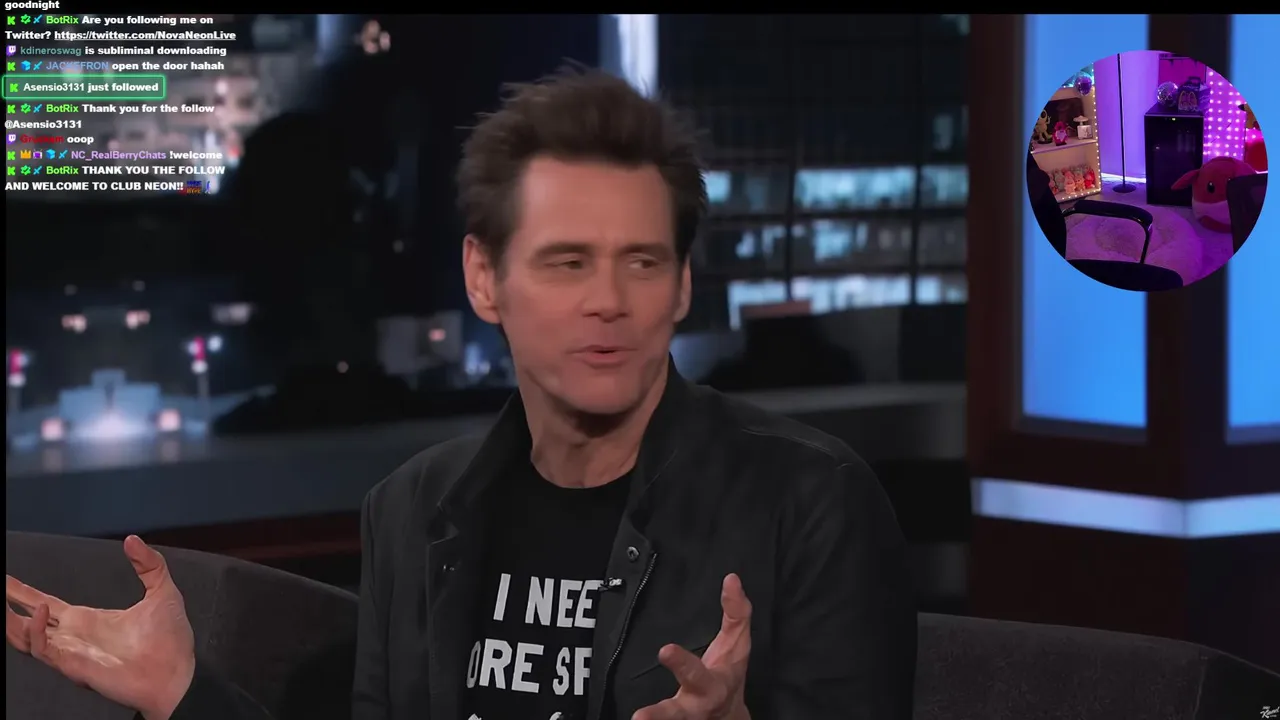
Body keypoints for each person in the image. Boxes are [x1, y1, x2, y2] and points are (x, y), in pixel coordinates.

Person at [5, 67, 916, 720]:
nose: (608, 299)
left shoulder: (810, 501)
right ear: (485, 279)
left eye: (642, 262)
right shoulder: (411, 510)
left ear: (681, 286)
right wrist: (183, 692)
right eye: (567, 262)